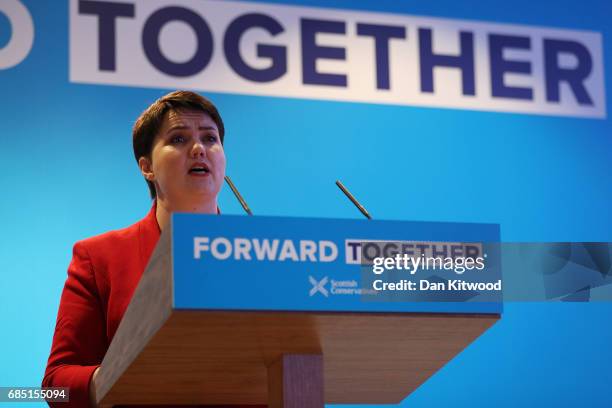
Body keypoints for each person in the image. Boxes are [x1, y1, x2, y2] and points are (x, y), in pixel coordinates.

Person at [42, 90, 227, 407]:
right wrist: (116, 377)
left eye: (210, 138)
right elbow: (54, 387)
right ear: (147, 167)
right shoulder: (99, 257)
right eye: (179, 139)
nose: (199, 149)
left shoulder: (263, 254)